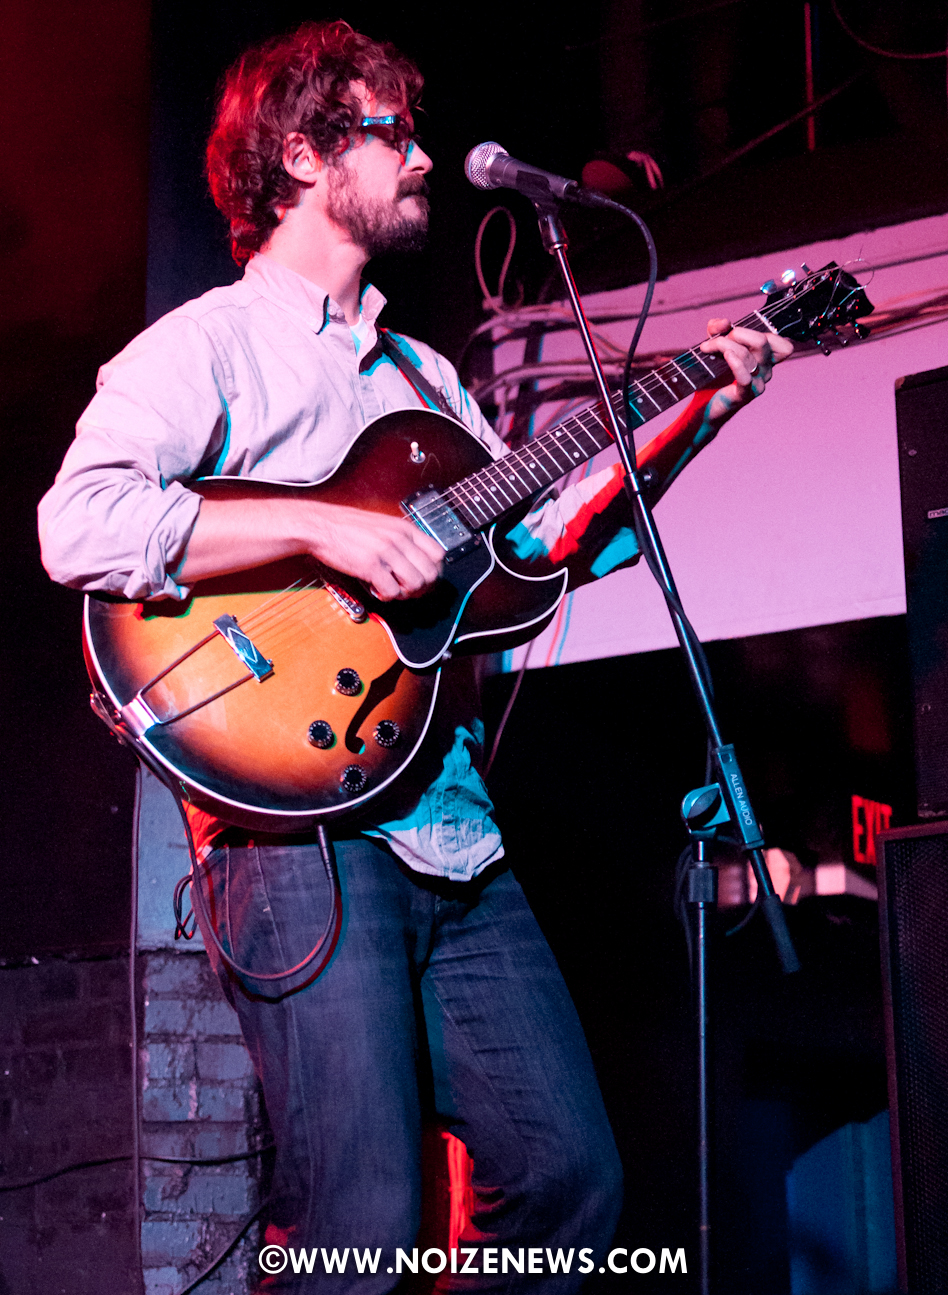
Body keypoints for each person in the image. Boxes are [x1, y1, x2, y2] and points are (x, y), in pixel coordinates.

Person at [38, 21, 791, 1292]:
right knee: (362, 1222)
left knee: (569, 1181)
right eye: (395, 131)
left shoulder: (427, 376)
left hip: (450, 828)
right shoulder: (208, 345)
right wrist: (321, 525)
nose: (426, 157)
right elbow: (80, 523)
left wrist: (697, 404)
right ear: (303, 154)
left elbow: (536, 556)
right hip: (300, 841)